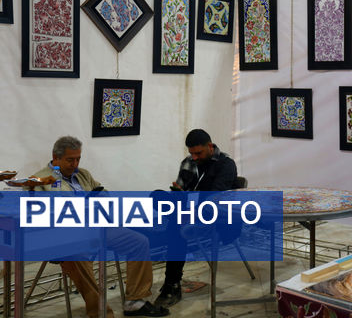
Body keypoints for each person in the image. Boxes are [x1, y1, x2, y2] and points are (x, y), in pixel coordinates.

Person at [32, 136, 169, 317]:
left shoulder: (83, 174)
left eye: (78, 159)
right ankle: (101, 313)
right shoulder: (40, 180)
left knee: (139, 242)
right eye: (70, 160)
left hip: (97, 227)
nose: (75, 164)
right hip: (66, 236)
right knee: (79, 258)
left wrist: (101, 198)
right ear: (55, 158)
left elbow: (103, 191)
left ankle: (135, 301)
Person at [153, 129, 237, 307]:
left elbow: (215, 200)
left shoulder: (226, 164)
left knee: (175, 228)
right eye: (192, 153)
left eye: (198, 153)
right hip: (187, 211)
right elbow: (181, 193)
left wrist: (190, 212)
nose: (195, 157)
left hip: (213, 216)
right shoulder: (189, 162)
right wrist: (178, 193)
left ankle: (172, 284)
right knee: (156, 195)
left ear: (210, 146)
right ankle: (178, 220)